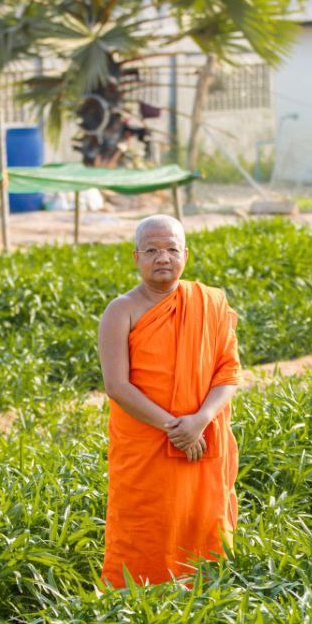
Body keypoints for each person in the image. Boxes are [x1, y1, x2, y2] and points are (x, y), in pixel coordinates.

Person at [97, 214, 241, 588]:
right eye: (152, 250)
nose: (163, 258)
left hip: (202, 440)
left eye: (172, 249)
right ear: (136, 257)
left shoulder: (210, 303)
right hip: (146, 444)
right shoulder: (120, 311)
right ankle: (134, 603)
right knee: (145, 524)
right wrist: (175, 428)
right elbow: (117, 386)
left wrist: (199, 421)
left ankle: (204, 600)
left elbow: (228, 374)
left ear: (185, 255)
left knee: (202, 523)